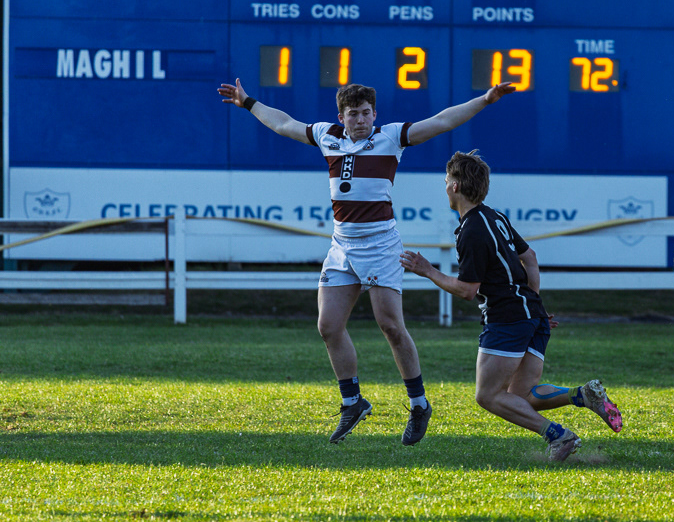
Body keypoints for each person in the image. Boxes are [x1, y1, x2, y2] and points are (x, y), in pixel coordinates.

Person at [217, 79, 516, 446]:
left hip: (380, 245)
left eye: (365, 113)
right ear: (341, 117)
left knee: (390, 325)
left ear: (375, 114)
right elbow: (284, 124)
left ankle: (419, 404)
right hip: (342, 244)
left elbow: (441, 121)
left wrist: (485, 99)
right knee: (328, 326)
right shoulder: (327, 136)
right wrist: (248, 102)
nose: (360, 120)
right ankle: (352, 401)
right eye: (353, 114)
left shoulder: (390, 137)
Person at [399, 150, 623, 461]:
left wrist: (428, 271)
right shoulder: (495, 217)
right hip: (530, 315)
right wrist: (533, 307)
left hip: (507, 318)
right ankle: (583, 395)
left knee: (487, 395)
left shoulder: (471, 230)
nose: (445, 186)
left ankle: (559, 436)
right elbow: (530, 258)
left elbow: (467, 290)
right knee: (520, 395)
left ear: (455, 186)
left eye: (447, 180)